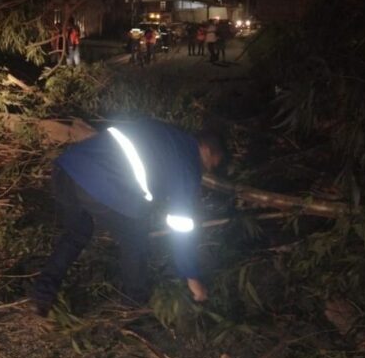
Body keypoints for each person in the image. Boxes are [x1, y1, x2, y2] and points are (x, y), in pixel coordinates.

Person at [31, 119, 225, 317]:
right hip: (102, 182)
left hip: (67, 170)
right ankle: (133, 305)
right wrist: (192, 277)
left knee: (76, 233)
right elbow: (181, 225)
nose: (207, 171)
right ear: (208, 150)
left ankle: (42, 295)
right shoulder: (188, 161)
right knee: (135, 239)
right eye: (211, 166)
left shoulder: (165, 133)